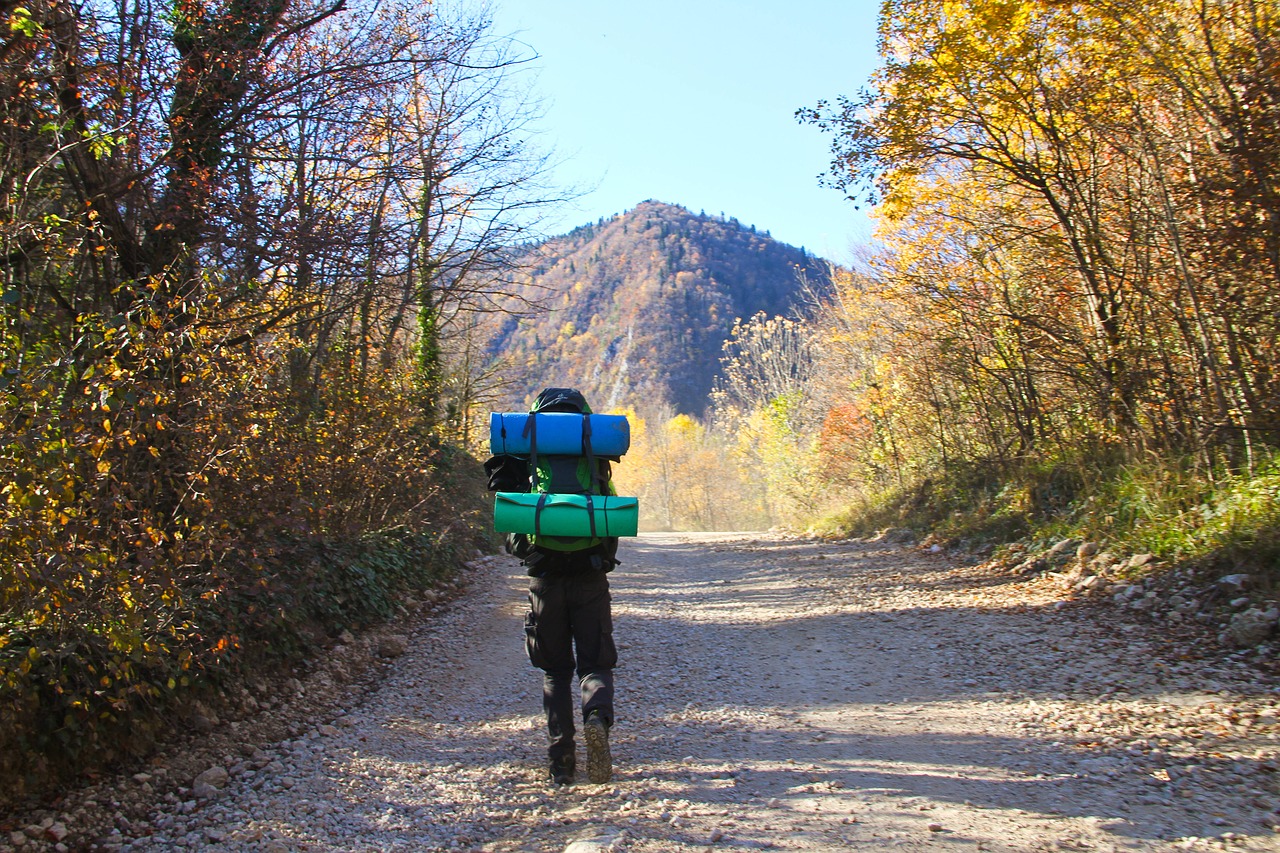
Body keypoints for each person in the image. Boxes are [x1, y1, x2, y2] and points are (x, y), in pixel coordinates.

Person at [484, 387, 620, 785]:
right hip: (590, 574)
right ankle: (597, 717)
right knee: (594, 664)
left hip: (544, 577)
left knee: (555, 671)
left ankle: (561, 762)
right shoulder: (595, 454)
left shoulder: (530, 455)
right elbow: (610, 514)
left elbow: (510, 515)